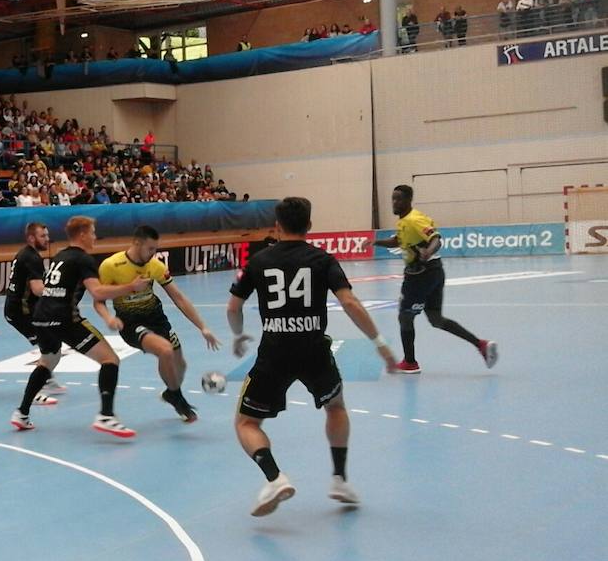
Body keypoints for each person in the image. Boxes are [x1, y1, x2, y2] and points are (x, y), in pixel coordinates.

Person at [226, 197, 398, 516]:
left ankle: (274, 477)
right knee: (335, 407)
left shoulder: (258, 261)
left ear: (276, 226)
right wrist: (380, 342)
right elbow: (349, 303)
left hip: (274, 352)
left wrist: (238, 335)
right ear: (309, 226)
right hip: (314, 349)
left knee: (247, 422)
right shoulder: (323, 259)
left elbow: (233, 308)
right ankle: (339, 479)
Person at [10, 215, 150, 437]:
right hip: (65, 319)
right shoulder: (83, 259)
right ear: (83, 234)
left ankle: (22, 412)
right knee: (110, 359)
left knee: (48, 360)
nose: (95, 237)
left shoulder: (60, 256)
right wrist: (131, 287)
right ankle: (106, 415)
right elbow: (98, 292)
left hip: (41, 317)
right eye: (93, 232)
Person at [96, 224, 221, 423]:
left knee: (180, 366)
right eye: (151, 248)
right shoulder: (111, 266)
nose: (154, 253)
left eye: (156, 249)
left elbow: (178, 297)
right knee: (165, 350)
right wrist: (108, 318)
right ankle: (178, 398)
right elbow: (98, 299)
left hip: (157, 319)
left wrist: (203, 327)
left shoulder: (155, 266)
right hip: (130, 323)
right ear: (137, 242)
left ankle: (171, 392)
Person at [374, 184, 497, 374]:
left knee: (405, 316)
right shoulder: (405, 222)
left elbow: (436, 238)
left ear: (408, 201)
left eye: (398, 198)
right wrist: (375, 241)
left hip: (421, 275)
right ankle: (481, 345)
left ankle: (410, 362)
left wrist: (427, 252)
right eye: (393, 198)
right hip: (434, 272)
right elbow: (398, 241)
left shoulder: (414, 219)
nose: (394, 202)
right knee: (436, 319)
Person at [2, 221, 65, 400]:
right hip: (20, 312)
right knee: (50, 347)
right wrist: (60, 293)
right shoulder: (31, 257)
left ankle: (46, 379)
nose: (47, 239)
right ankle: (37, 390)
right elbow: (38, 289)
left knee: (52, 345)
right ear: (31, 238)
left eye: (47, 235)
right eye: (43, 236)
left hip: (23, 310)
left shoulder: (26, 254)